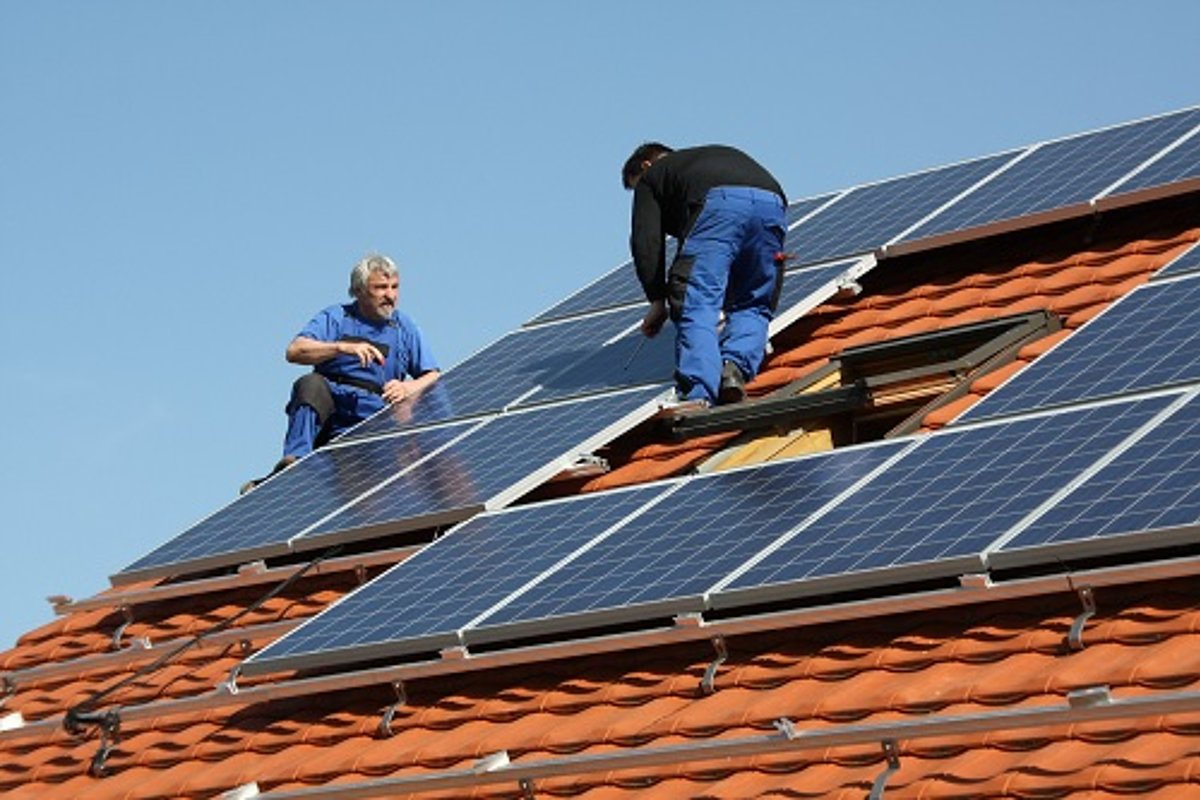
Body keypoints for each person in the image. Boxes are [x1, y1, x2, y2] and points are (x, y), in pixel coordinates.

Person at [241, 254, 440, 493]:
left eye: (394, 287)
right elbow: (295, 350)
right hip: (332, 404)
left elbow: (433, 375)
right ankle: (294, 463)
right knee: (310, 384)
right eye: (380, 288)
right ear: (359, 290)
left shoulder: (402, 326)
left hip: (374, 413)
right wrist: (340, 347)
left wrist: (407, 387)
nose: (390, 295)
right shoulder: (336, 317)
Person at [622, 143, 787, 406]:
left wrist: (656, 299)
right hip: (773, 204)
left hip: (718, 206)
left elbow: (646, 239)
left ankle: (699, 391)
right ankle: (733, 369)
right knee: (754, 302)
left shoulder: (654, 176)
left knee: (695, 301)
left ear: (646, 166)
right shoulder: (704, 161)